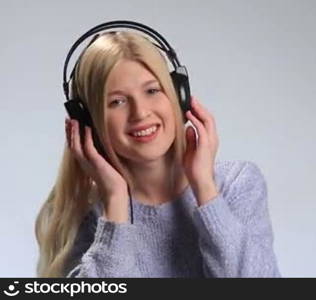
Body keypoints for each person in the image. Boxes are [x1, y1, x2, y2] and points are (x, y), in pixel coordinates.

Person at [34, 30, 280, 277]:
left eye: (152, 91)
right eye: (117, 101)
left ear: (178, 95)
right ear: (87, 120)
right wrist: (116, 205)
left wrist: (205, 188)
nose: (140, 113)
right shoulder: (85, 215)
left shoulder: (236, 185)